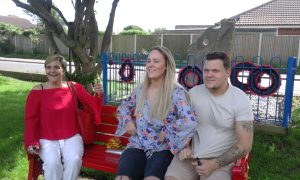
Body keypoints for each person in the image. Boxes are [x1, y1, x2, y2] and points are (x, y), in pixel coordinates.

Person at [165, 52, 254, 180]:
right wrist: (186, 146)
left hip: (221, 162)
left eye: (215, 71)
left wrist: (214, 164)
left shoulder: (240, 99)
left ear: (228, 72)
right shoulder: (194, 93)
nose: (209, 75)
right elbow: (181, 124)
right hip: (190, 156)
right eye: (206, 70)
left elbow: (245, 145)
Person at [114, 46, 198, 180]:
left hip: (162, 148)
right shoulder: (141, 89)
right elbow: (124, 106)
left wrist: (168, 130)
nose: (150, 65)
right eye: (148, 61)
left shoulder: (176, 93)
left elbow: (190, 121)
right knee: (123, 178)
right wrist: (127, 121)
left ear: (166, 66)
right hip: (138, 144)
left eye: (156, 61)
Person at [24, 54, 103, 180]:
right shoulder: (37, 91)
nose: (52, 71)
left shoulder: (74, 87)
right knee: (52, 164)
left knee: (74, 160)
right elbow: (31, 120)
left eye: (56, 67)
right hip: (47, 138)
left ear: (64, 70)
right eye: (48, 67)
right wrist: (31, 142)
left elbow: (92, 104)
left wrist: (98, 94)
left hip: (72, 136)